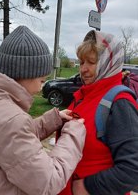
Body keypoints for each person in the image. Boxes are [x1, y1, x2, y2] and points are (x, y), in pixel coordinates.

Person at [0, 25, 86, 195]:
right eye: (41, 81)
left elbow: (4, 139)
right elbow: (48, 182)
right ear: (24, 73)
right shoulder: (12, 121)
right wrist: (73, 135)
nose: (41, 88)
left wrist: (52, 120)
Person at [59, 30, 138, 195]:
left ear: (108, 63)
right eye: (81, 62)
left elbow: (132, 169)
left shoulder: (119, 102)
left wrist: (87, 187)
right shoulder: (84, 95)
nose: (83, 69)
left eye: (91, 62)